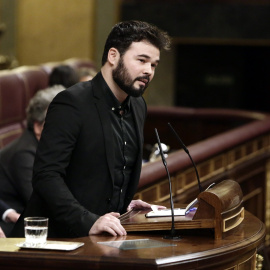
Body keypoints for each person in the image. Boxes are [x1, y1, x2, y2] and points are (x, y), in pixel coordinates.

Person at [10, 20, 171, 238]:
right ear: (113, 56)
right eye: (141, 60)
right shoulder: (71, 102)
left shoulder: (137, 105)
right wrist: (88, 221)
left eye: (154, 65)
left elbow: (104, 174)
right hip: (56, 239)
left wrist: (125, 206)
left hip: (106, 237)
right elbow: (46, 176)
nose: (148, 71)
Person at [0, 85, 65, 236]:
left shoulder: (50, 148)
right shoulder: (23, 153)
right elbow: (40, 201)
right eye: (58, 121)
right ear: (38, 126)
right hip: (13, 225)